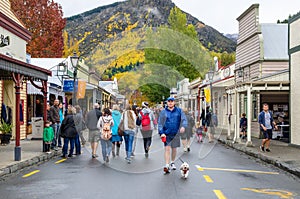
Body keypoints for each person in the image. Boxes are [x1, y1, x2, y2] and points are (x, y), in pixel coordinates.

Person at [158, 97, 187, 174]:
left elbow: (184, 119)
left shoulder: (179, 111)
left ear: (174, 102)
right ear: (167, 103)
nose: (170, 103)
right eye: (169, 101)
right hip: (166, 133)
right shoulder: (163, 112)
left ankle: (172, 162)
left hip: (176, 133)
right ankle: (167, 165)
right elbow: (160, 123)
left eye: (172, 101)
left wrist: (183, 126)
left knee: (174, 149)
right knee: (167, 148)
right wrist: (161, 132)